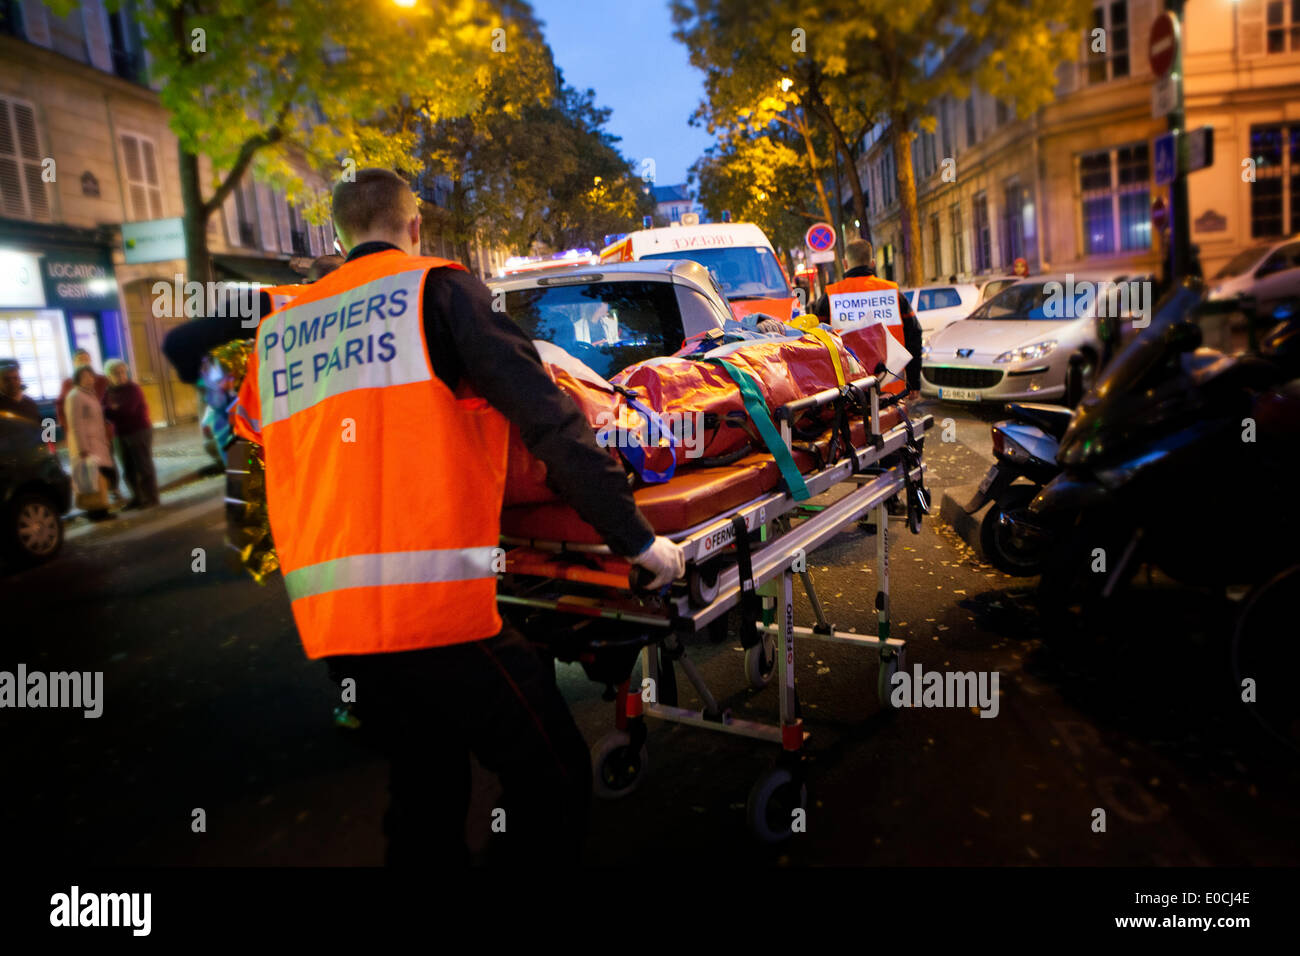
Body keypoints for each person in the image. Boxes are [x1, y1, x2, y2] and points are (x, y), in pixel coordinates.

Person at [231, 168, 684, 865]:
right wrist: (636, 540)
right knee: (551, 772)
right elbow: (548, 419)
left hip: (337, 627)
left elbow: (262, 436)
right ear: (416, 228)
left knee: (425, 785)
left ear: (335, 235)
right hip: (433, 609)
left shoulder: (284, 327)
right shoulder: (435, 292)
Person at [811, 238, 924, 392]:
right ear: (872, 263)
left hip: (850, 391)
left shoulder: (831, 297)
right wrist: (914, 383)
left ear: (845, 264)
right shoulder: (892, 294)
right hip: (891, 389)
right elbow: (914, 337)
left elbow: (816, 343)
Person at [103, 359, 159, 509]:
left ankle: (151, 497)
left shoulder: (133, 389)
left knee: (143, 465)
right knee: (127, 468)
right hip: (120, 434)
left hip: (138, 431)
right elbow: (103, 410)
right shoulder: (108, 391)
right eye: (116, 373)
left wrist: (113, 410)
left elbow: (128, 410)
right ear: (109, 375)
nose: (121, 376)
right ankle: (137, 497)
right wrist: (113, 409)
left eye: (123, 372)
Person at [64, 365, 117, 520]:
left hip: (97, 442)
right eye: (85, 376)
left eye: (91, 376)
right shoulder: (75, 396)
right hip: (87, 445)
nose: (89, 379)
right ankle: (96, 511)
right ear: (77, 379)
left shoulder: (89, 394)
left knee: (97, 479)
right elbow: (75, 424)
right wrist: (82, 447)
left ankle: (101, 509)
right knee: (92, 479)